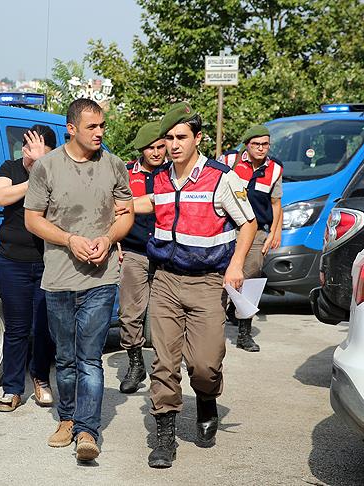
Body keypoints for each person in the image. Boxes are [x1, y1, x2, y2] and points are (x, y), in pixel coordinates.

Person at [134, 102, 257, 468]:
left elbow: (248, 223)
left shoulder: (221, 178)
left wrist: (236, 264)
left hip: (207, 284)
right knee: (164, 363)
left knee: (204, 365)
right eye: (168, 138)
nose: (173, 145)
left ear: (197, 139)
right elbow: (148, 203)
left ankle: (206, 399)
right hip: (166, 281)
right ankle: (165, 439)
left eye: (181, 137)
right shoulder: (160, 178)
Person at [24, 98, 135, 462]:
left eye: (102, 125)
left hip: (101, 278)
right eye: (92, 126)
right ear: (71, 128)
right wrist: (70, 240)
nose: (100, 132)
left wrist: (109, 238)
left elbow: (126, 214)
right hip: (58, 277)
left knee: (90, 359)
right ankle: (67, 419)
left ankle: (88, 431)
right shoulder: (47, 167)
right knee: (66, 358)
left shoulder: (114, 165)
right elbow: (32, 220)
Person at [0, 125, 58, 412]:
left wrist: (44, 167)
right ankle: (13, 388)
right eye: (26, 146)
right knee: (17, 328)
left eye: (38, 147)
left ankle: (41, 378)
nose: (29, 151)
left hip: (49, 261)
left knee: (44, 327)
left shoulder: (59, 171)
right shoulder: (11, 168)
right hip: (13, 260)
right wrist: (32, 175)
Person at [221, 125, 284, 352]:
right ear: (247, 145)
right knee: (222, 279)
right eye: (256, 144)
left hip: (257, 231)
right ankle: (214, 330)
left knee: (251, 280)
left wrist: (275, 232)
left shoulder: (275, 169)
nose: (261, 148)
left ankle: (244, 334)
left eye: (265, 144)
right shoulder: (229, 161)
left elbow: (276, 204)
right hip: (227, 229)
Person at [117, 121, 168, 394]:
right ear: (142, 149)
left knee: (164, 314)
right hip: (134, 251)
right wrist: (114, 240)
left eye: (161, 146)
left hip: (166, 254)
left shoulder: (172, 174)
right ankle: (136, 364)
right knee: (129, 313)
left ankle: (164, 368)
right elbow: (111, 209)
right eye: (151, 148)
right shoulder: (126, 174)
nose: (157, 152)